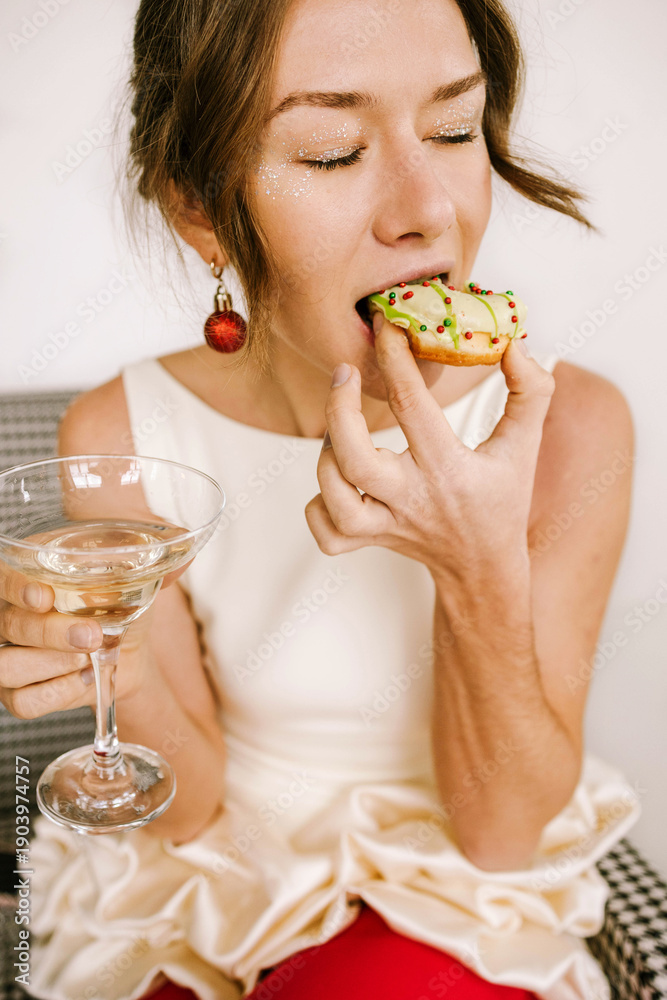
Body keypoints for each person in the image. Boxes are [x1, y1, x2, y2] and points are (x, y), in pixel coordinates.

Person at [0, 0, 642, 998]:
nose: (427, 210)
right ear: (200, 209)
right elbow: (186, 805)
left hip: (454, 895)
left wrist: (476, 565)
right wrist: (108, 659)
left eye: (453, 129)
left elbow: (504, 832)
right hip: (215, 879)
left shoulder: (570, 428)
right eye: (333, 153)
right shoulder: (121, 437)